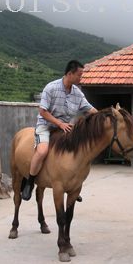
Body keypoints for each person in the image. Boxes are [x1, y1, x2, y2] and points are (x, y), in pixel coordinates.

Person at [22, 60, 97, 201]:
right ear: (70, 73)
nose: (81, 78)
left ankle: (73, 185)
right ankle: (30, 182)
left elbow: (89, 109)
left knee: (78, 150)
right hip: (46, 126)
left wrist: (103, 117)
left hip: (65, 128)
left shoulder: (77, 93)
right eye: (79, 75)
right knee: (42, 151)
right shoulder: (51, 88)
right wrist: (59, 123)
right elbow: (43, 111)